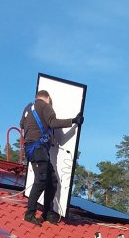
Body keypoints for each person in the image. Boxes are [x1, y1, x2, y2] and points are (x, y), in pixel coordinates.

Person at [21, 90, 83, 225]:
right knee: (41, 180)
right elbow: (53, 123)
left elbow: (21, 124)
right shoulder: (45, 106)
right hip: (38, 149)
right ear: (47, 98)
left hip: (32, 149)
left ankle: (48, 212)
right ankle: (29, 214)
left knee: (52, 180)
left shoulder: (28, 107)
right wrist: (74, 121)